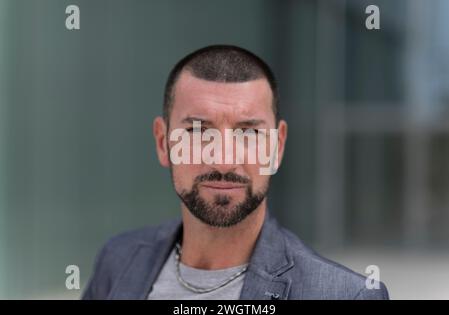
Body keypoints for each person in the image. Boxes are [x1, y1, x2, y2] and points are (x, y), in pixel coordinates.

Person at [82, 45, 389, 300]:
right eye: (199, 131)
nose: (224, 161)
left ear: (277, 147)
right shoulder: (117, 260)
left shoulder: (345, 296)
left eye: (248, 133)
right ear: (164, 143)